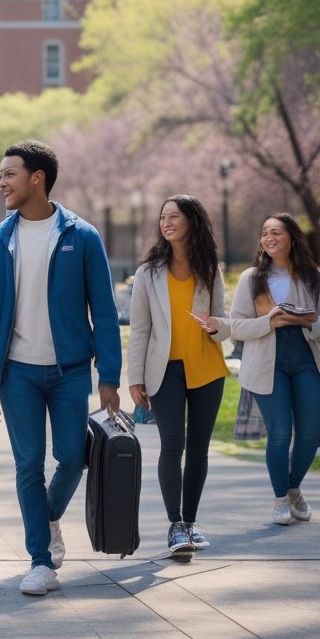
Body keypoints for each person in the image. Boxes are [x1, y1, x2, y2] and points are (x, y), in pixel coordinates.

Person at [0, 140, 122, 597]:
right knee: (27, 465)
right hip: (17, 372)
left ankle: (47, 515)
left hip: (71, 370)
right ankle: (40, 559)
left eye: (9, 174)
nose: (2, 182)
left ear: (37, 177)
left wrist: (109, 376)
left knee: (73, 456)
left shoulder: (82, 235)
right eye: (0, 174)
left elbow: (106, 311)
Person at [127, 195, 230, 559]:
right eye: (163, 217)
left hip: (207, 368)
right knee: (173, 444)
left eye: (175, 216)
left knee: (199, 449)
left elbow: (222, 320)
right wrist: (134, 377)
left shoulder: (210, 269)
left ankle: (190, 521)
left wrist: (218, 327)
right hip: (164, 369)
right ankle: (175, 526)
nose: (167, 222)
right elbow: (139, 328)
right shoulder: (148, 272)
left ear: (192, 222)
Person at [229, 213, 320, 525]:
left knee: (310, 432)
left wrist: (306, 319)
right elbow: (237, 326)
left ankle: (293, 489)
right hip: (267, 360)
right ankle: (280, 499)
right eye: (265, 232)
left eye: (276, 232)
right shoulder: (252, 279)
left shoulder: (314, 276)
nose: (269, 238)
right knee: (280, 433)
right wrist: (271, 321)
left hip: (306, 357)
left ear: (292, 237)